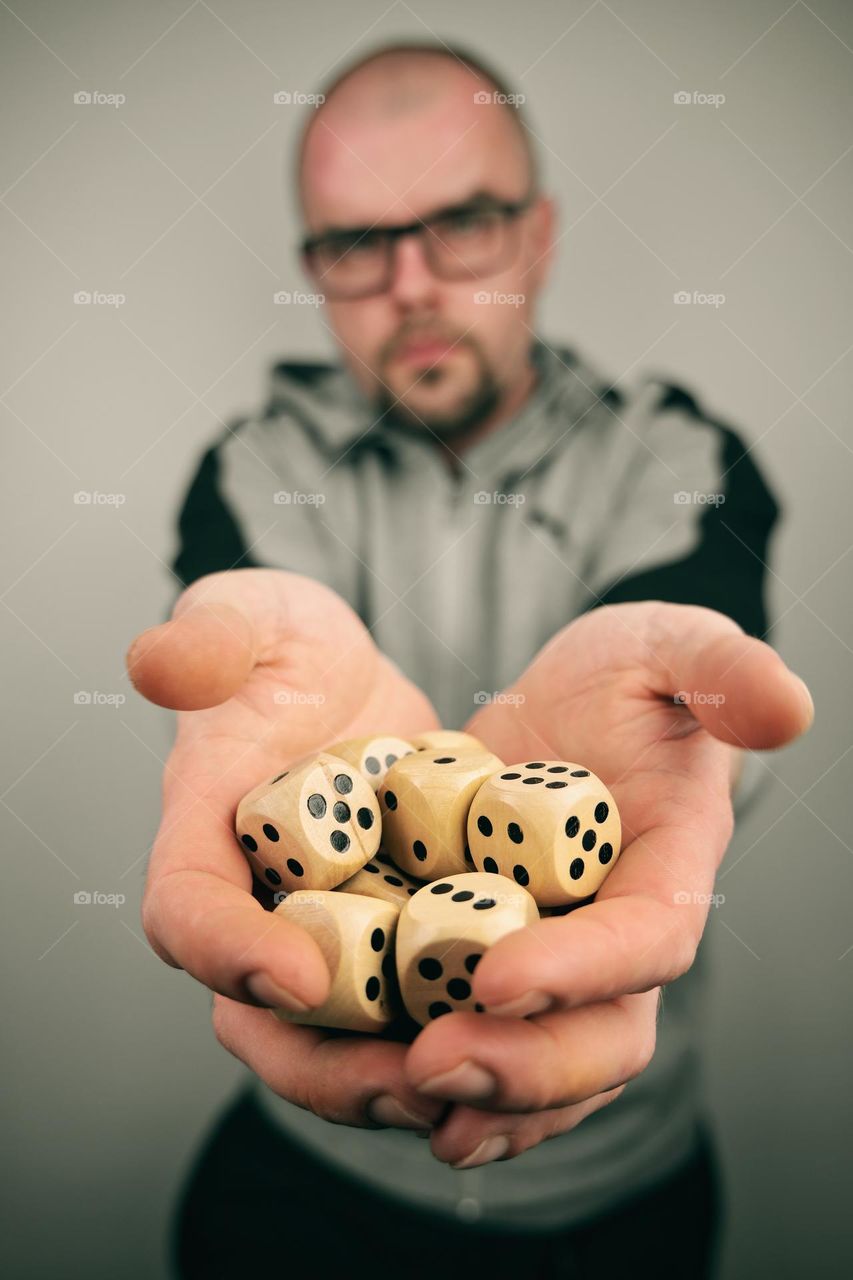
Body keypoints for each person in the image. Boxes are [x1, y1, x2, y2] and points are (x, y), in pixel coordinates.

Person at [126, 41, 814, 1279]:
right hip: (306, 1194)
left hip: (621, 1200)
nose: (412, 286)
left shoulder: (678, 453)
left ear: (541, 233)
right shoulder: (250, 466)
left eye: (463, 225)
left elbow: (679, 656)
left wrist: (646, 703)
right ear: (315, 271)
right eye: (354, 243)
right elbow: (272, 691)